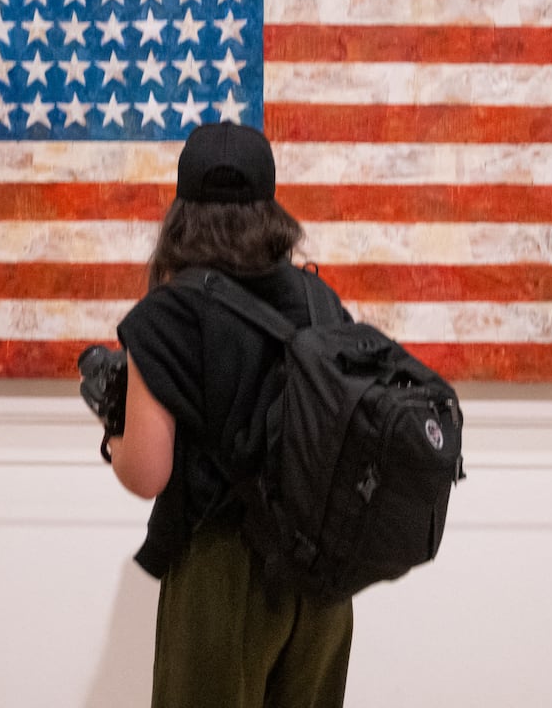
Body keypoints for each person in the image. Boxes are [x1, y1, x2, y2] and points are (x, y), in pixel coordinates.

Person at [107, 122, 355, 708]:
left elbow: (146, 473)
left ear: (182, 212)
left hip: (223, 571)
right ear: (270, 206)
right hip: (322, 578)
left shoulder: (167, 313)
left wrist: (113, 422)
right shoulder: (321, 301)